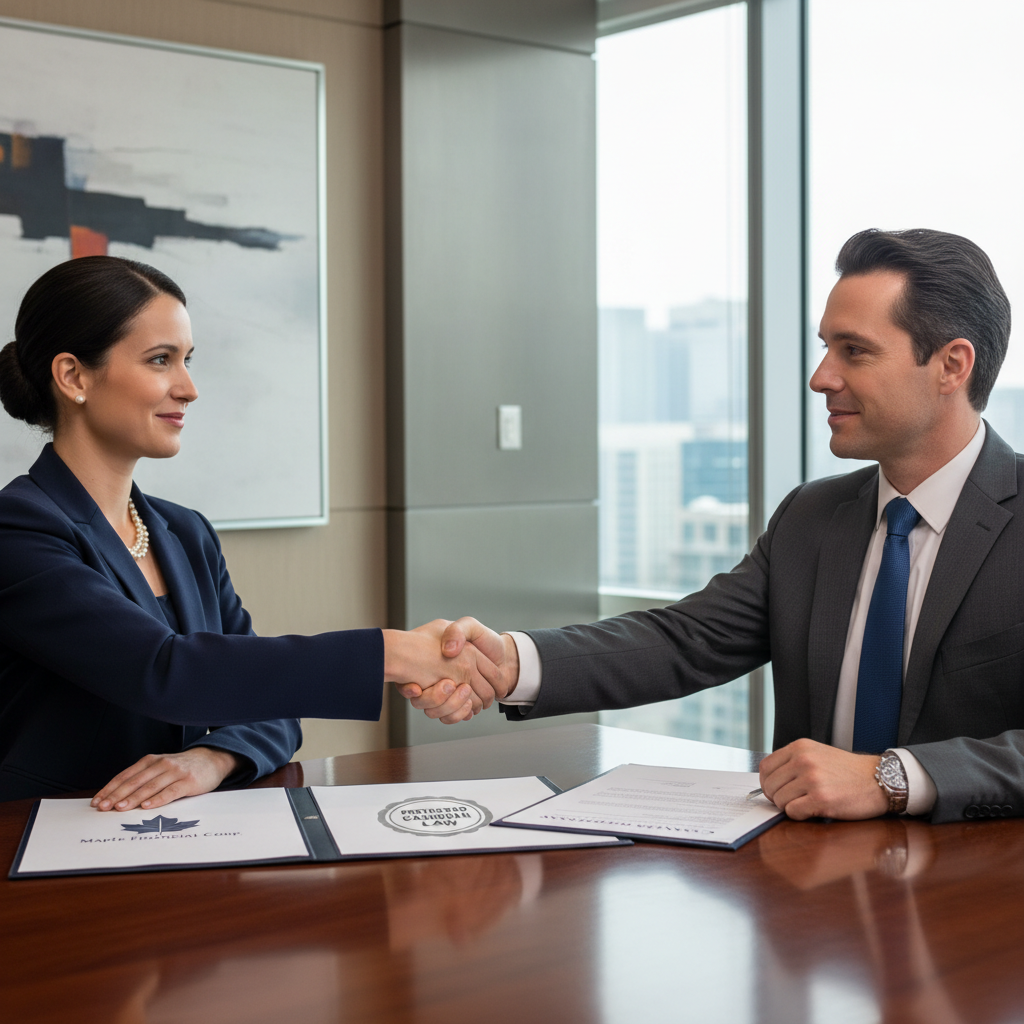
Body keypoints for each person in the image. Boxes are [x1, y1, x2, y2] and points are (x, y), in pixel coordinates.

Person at [401, 228, 1024, 825]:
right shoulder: (812, 516)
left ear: (952, 365)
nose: (821, 377)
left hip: (976, 900)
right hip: (809, 893)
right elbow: (686, 640)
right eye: (825, 347)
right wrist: (508, 662)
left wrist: (891, 778)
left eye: (854, 351)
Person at [0, 257, 498, 808]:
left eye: (188, 361)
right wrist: (396, 652)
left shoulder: (185, 533)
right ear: (73, 376)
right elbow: (166, 671)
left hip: (187, 848)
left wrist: (214, 759)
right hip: (42, 850)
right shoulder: (18, 530)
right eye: (160, 360)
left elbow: (269, 698)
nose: (189, 388)